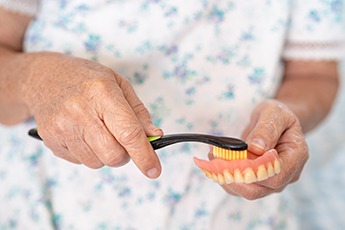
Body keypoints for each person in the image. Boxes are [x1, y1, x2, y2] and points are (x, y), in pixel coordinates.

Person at [0, 0, 343, 229]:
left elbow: (314, 75)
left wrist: (286, 114)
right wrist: (36, 78)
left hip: (235, 217)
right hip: (50, 207)